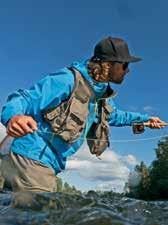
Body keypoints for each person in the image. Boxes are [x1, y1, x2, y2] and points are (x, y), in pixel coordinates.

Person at [0, 36, 166, 192]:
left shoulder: (101, 96)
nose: (128, 71)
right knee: (40, 217)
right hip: (32, 156)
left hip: (46, 162)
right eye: (124, 65)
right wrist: (14, 117)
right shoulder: (68, 79)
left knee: (14, 218)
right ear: (108, 64)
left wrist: (146, 119)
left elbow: (116, 116)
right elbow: (23, 99)